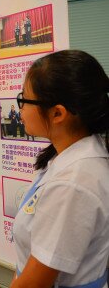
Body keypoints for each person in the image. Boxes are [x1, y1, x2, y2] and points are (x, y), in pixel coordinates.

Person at [11, 50, 109, 288]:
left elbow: (35, 282)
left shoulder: (73, 183)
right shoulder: (73, 154)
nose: (20, 109)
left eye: (24, 99)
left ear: (57, 113)